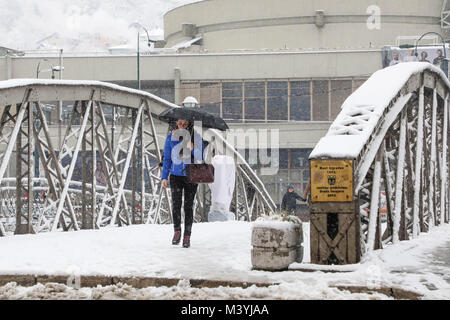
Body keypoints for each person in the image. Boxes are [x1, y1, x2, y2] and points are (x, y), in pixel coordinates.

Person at [161, 118, 204, 248]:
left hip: (191, 176)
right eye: (179, 123)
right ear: (176, 123)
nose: (182, 126)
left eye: (185, 124)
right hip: (175, 175)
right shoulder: (171, 137)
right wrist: (164, 176)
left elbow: (200, 157)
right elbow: (167, 159)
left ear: (189, 124)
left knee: (188, 206)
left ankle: (187, 236)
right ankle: (177, 231)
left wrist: (191, 148)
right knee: (176, 204)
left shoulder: (196, 137)